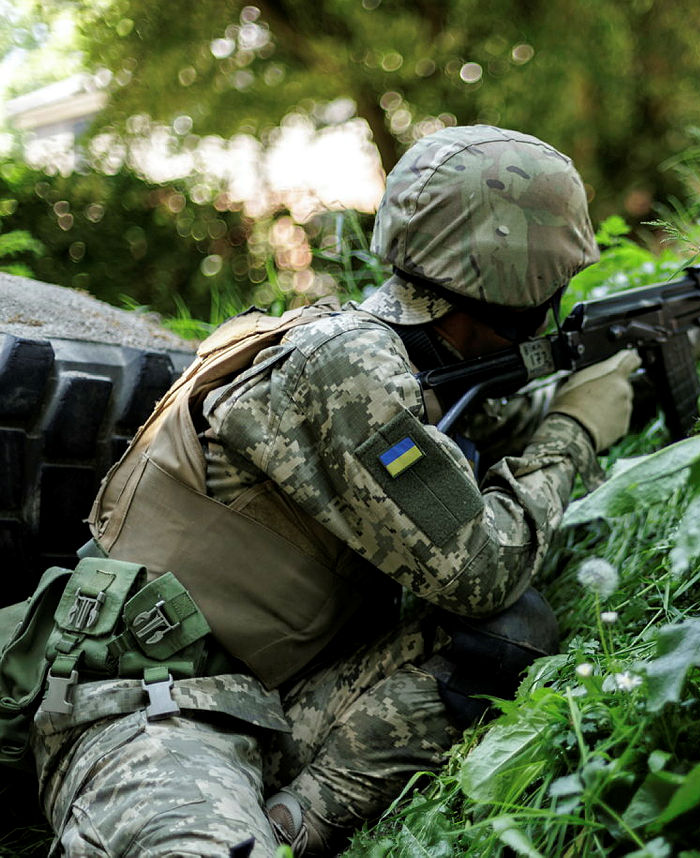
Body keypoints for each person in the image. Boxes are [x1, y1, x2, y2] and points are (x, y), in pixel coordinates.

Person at [28, 125, 642, 856]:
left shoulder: (389, 357)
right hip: (147, 706)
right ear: (525, 290)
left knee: (504, 638)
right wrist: (574, 430)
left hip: (275, 693)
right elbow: (482, 569)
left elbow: (492, 431)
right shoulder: (348, 365)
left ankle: (291, 824)